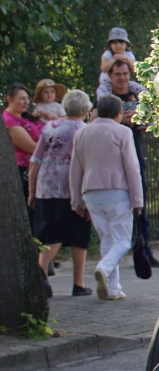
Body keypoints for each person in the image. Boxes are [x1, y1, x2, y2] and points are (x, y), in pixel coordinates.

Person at [69, 94, 142, 301]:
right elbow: (132, 168)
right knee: (121, 241)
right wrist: (137, 200)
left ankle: (112, 288)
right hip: (117, 192)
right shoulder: (123, 132)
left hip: (90, 193)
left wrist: (77, 200)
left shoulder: (82, 133)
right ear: (118, 114)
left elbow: (75, 169)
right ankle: (104, 267)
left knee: (107, 240)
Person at [98, 59, 159, 267]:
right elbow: (97, 123)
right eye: (117, 74)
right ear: (110, 76)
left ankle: (144, 250)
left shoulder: (137, 95)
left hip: (135, 153)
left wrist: (141, 120)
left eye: (125, 74)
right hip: (111, 159)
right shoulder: (105, 99)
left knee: (140, 203)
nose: (122, 78)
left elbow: (154, 118)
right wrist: (119, 120)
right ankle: (114, 251)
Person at [29, 90, 92, 297]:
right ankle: (79, 283)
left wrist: (32, 190)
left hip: (47, 186)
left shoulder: (50, 127)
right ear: (85, 109)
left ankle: (41, 274)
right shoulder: (85, 130)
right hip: (74, 188)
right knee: (78, 235)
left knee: (51, 232)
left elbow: (36, 160)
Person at [5, 83, 44, 230]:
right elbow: (31, 147)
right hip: (23, 170)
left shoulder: (27, 117)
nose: (26, 102)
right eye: (21, 98)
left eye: (27, 98)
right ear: (9, 99)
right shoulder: (10, 121)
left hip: (36, 167)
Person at [98, 27, 136, 97]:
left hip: (124, 82)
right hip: (107, 83)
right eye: (115, 43)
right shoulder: (108, 54)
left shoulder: (129, 54)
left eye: (121, 42)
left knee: (139, 89)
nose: (118, 45)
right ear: (110, 45)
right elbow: (104, 68)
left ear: (126, 44)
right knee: (102, 95)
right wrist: (114, 59)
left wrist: (127, 59)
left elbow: (135, 70)